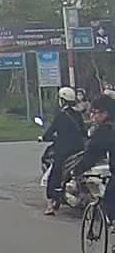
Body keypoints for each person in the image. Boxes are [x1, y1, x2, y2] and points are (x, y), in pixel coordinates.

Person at [41, 86, 87, 215]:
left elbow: (50, 132)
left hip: (64, 151)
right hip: (80, 149)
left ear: (62, 100)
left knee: (54, 175)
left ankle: (50, 205)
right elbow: (84, 131)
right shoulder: (78, 115)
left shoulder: (61, 115)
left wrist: (44, 137)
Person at [72, 94, 115, 221]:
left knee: (110, 203)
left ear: (105, 113)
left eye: (95, 113)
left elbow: (92, 154)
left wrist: (77, 170)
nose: (93, 116)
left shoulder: (106, 130)